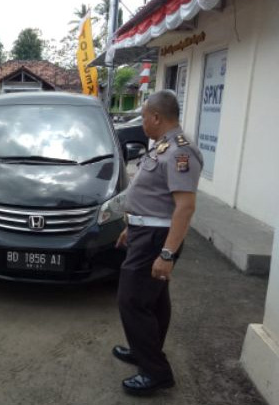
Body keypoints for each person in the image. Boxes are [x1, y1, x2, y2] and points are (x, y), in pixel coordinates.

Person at [113, 90, 203, 395]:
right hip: (145, 234)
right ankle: (143, 350)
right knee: (154, 300)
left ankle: (155, 371)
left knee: (132, 301)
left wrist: (167, 253)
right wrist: (132, 226)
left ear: (155, 117)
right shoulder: (163, 147)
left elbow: (185, 207)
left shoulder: (180, 152)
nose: (141, 122)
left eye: (143, 116)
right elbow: (154, 197)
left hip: (157, 240)